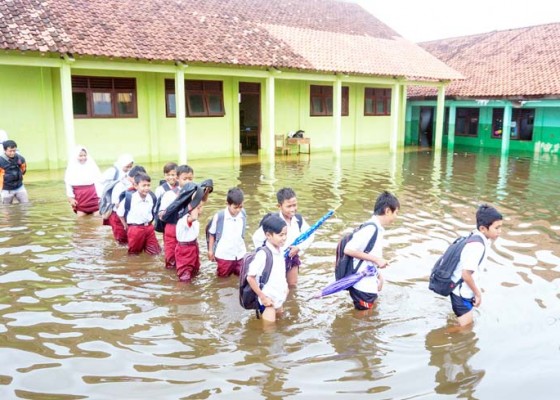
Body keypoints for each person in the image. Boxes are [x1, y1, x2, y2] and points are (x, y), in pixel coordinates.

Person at [344, 191, 400, 311]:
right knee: (364, 322)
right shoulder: (371, 228)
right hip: (363, 286)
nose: (396, 217)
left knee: (367, 319)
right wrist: (377, 260)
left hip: (368, 283)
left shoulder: (376, 228)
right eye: (396, 213)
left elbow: (368, 254)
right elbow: (348, 249)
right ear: (387, 211)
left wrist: (379, 276)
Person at [450, 204, 503, 327]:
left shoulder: (476, 236)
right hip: (462, 294)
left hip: (459, 290)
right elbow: (466, 274)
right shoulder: (477, 246)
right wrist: (478, 293)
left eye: (501, 227)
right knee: (465, 329)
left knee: (465, 325)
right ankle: (437, 337)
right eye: (497, 228)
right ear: (483, 228)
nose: (500, 232)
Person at [252, 187, 313, 287]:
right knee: (275, 285)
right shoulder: (272, 221)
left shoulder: (298, 219)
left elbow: (310, 234)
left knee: (292, 285)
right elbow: (257, 238)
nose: (293, 209)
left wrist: (299, 248)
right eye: (288, 206)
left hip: (292, 258)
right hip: (275, 260)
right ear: (279, 206)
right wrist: (266, 256)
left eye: (294, 205)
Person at [247, 214, 289, 323]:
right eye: (281, 235)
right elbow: (250, 277)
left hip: (279, 296)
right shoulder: (263, 254)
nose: (284, 238)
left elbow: (280, 273)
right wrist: (263, 297)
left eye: (285, 234)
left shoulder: (280, 251)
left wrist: (286, 287)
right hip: (268, 301)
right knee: (269, 333)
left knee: (281, 323)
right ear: (268, 235)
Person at [158, 164, 195, 269]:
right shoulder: (169, 194)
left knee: (188, 258)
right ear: (177, 178)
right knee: (171, 259)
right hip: (172, 227)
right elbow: (161, 215)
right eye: (185, 179)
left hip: (187, 228)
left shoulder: (195, 194)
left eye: (190, 179)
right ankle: (171, 281)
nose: (188, 181)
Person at [116, 172, 161, 255]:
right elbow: (120, 213)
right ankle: (134, 267)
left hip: (149, 228)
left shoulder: (151, 197)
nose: (147, 188)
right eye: (143, 185)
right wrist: (125, 225)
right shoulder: (129, 199)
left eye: (148, 185)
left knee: (155, 252)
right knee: (134, 253)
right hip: (135, 229)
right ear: (136, 186)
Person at [207, 187, 247, 277]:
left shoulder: (243, 214)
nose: (238, 210)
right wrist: (210, 251)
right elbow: (212, 234)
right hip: (224, 255)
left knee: (241, 276)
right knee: (223, 279)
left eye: (240, 207)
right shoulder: (219, 216)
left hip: (240, 253)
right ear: (227, 204)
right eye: (235, 207)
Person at [108, 165, 146, 244]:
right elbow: (117, 205)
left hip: (129, 217)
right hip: (118, 217)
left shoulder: (133, 185)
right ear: (134, 177)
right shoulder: (120, 186)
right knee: (122, 242)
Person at [64, 145, 102, 216]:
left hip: (93, 197)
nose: (83, 158)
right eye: (80, 156)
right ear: (75, 156)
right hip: (80, 198)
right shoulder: (71, 169)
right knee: (82, 221)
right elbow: (68, 183)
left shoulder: (91, 166)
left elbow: (99, 181)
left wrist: (101, 196)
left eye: (85, 155)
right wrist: (71, 198)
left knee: (98, 219)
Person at [175, 201, 204, 282]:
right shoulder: (185, 219)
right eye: (198, 208)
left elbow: (203, 200)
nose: (201, 210)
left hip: (193, 246)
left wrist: (206, 190)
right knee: (185, 277)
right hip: (185, 249)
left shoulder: (194, 220)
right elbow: (193, 217)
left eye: (201, 207)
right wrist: (194, 200)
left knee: (195, 272)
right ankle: (182, 292)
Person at [0, 140, 28, 204]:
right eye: (10, 151)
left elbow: (23, 170)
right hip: (6, 190)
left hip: (20, 187)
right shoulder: (0, 161)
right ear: (5, 150)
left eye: (14, 151)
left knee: (26, 205)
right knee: (7, 209)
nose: (12, 153)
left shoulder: (20, 159)